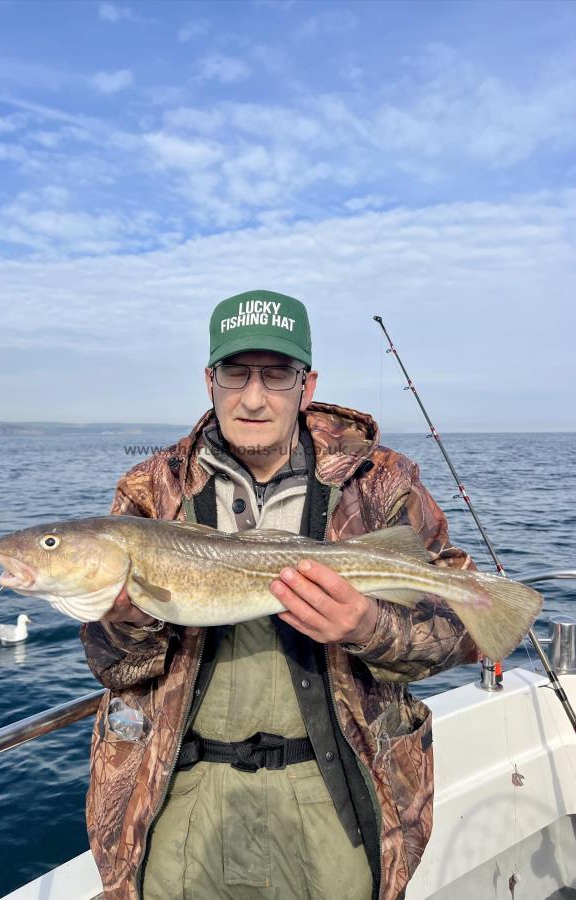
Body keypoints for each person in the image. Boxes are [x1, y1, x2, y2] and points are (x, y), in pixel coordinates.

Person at [81, 290, 479, 900]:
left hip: (336, 801)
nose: (254, 396)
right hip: (181, 801)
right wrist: (127, 622)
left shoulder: (381, 481)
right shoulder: (150, 489)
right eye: (236, 373)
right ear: (209, 381)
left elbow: (467, 626)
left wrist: (370, 626)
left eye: (277, 374)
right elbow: (114, 667)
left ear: (307, 384)